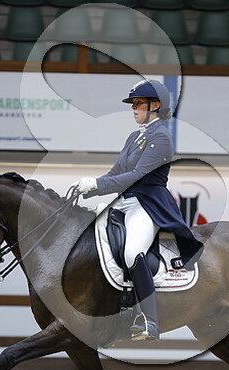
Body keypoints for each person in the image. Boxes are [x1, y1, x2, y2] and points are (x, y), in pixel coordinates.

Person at [70, 79, 204, 341]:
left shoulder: (161, 137)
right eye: (133, 103)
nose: (133, 108)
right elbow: (116, 173)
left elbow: (137, 176)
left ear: (155, 106)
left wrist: (97, 185)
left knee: (133, 251)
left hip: (149, 203)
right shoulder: (134, 137)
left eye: (139, 103)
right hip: (125, 202)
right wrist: (90, 187)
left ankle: (149, 321)